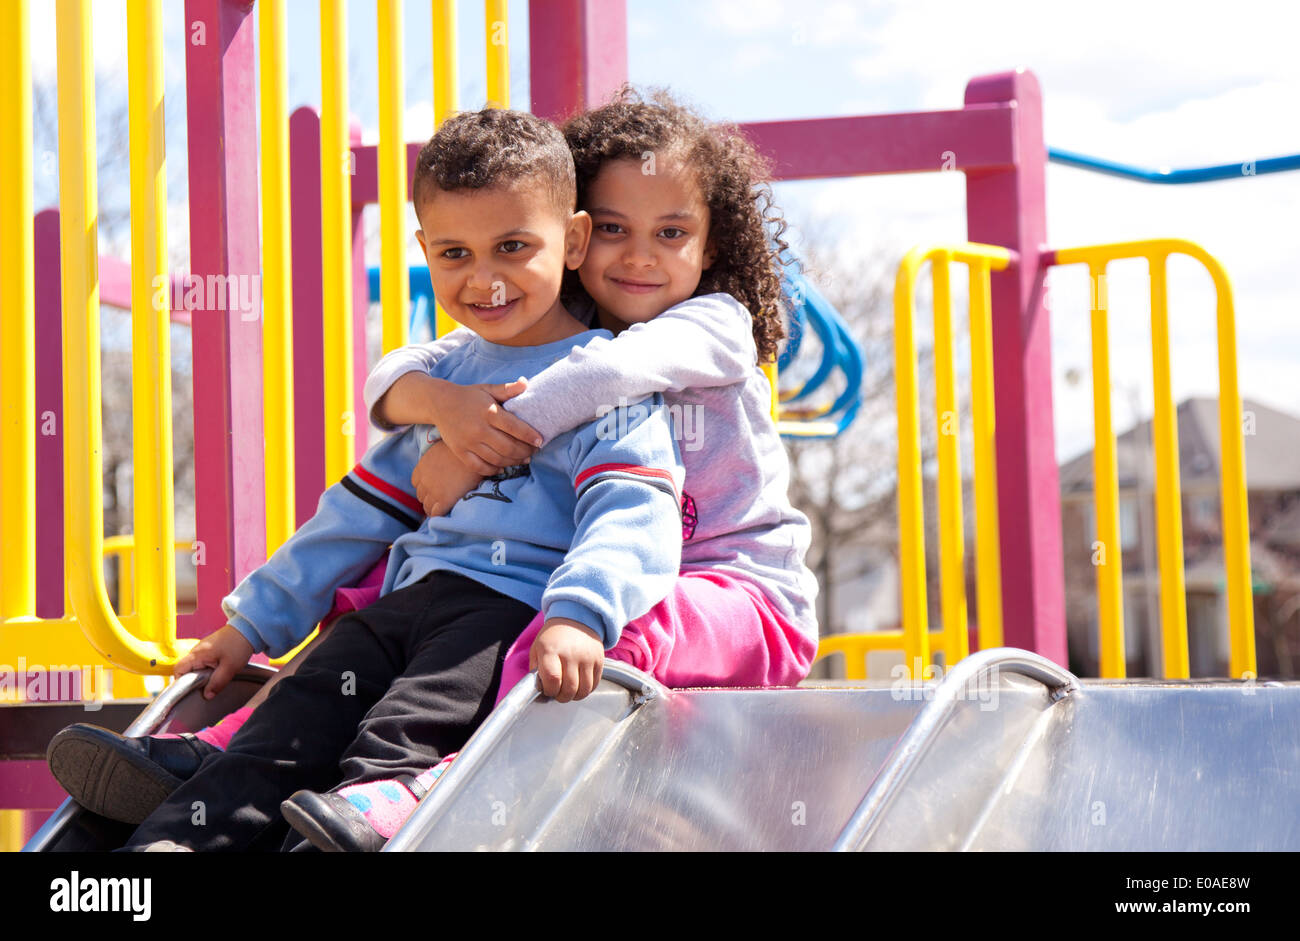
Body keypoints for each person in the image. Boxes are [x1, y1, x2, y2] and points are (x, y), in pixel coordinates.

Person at [49, 107, 686, 852]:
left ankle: (357, 825)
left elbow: (632, 511)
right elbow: (355, 514)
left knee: (404, 728)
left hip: (503, 613)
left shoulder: (603, 381)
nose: (484, 278)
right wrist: (250, 622)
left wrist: (580, 614)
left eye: (514, 246)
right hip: (404, 602)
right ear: (423, 249)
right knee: (290, 718)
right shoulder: (442, 379)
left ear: (572, 240)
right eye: (454, 253)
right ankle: (172, 846)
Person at [280, 87, 821, 851]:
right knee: (376, 591)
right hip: (633, 568)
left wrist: (479, 440)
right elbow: (395, 373)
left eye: (672, 231)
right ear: (573, 239)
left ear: (712, 244)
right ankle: (245, 740)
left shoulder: (710, 323)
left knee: (607, 618)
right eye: (613, 230)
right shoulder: (570, 333)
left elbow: (607, 375)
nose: (640, 255)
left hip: (740, 591)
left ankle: (452, 776)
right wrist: (443, 406)